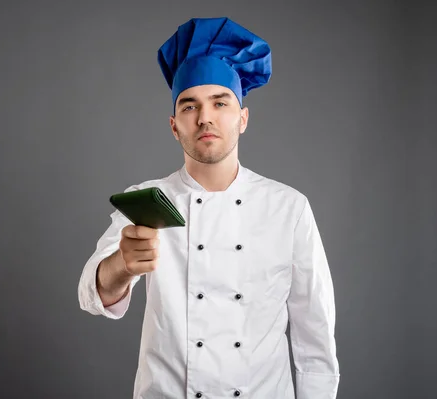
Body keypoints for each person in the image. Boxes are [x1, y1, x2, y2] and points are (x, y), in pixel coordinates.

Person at [78, 16, 340, 399]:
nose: (205, 117)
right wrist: (122, 264)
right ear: (173, 125)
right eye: (189, 106)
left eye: (220, 102)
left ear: (243, 118)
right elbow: (91, 293)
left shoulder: (289, 209)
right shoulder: (147, 201)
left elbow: (314, 343)